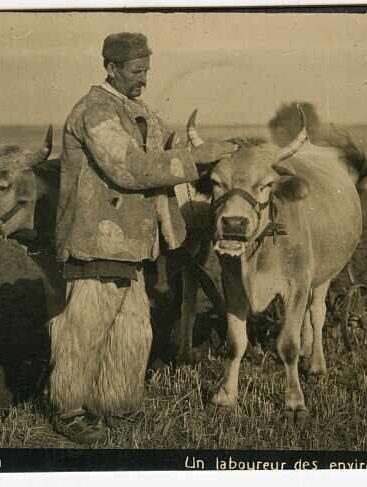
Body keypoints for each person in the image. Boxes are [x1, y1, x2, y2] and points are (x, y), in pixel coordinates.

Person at [50, 32, 237, 443]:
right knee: (84, 328)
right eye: (136, 71)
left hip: (130, 244)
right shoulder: (95, 111)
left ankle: (119, 406)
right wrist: (195, 160)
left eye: (147, 70)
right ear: (111, 68)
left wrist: (206, 153)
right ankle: (69, 411)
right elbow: (129, 168)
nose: (144, 78)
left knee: (133, 330)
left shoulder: (133, 110)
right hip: (96, 240)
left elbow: (159, 148)